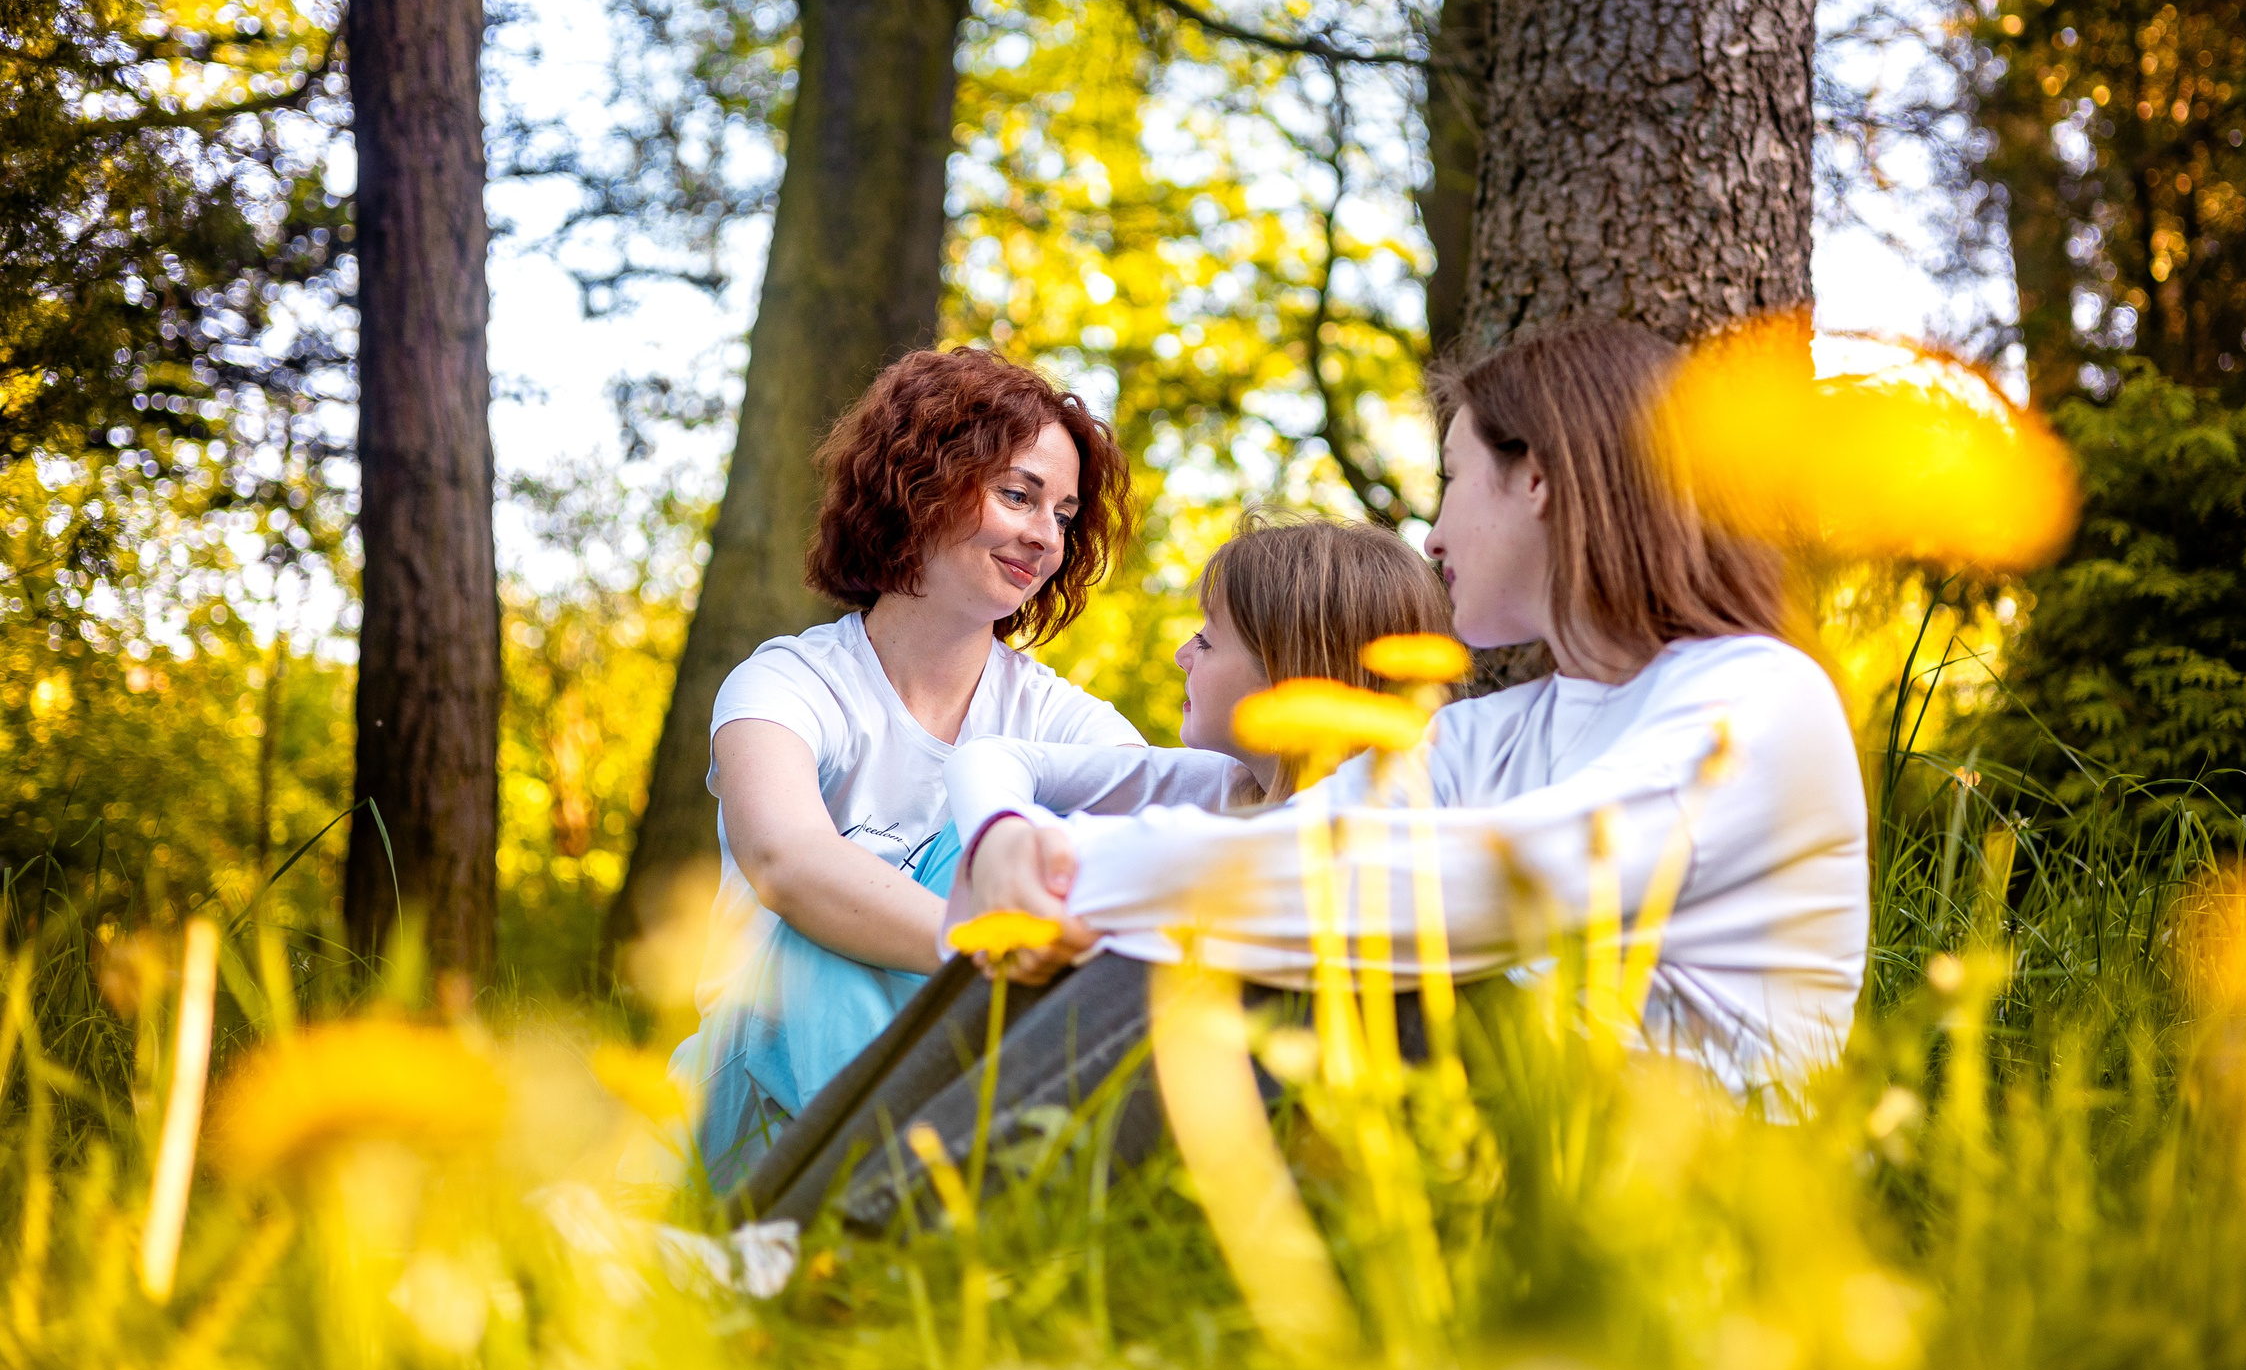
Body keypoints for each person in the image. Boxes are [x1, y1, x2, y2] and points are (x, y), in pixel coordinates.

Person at [739, 319, 1871, 1233]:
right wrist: (1007, 849)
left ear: (1541, 482)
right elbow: (1283, 848)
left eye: (1450, 479)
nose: (1431, 537)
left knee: (1257, 945)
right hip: (1484, 1121)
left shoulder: (1755, 697)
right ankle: (763, 1240)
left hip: (1689, 1180)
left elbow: (1490, 890)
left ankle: (838, 1262)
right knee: (1216, 920)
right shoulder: (1500, 732)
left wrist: (1072, 872)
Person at [668, 347, 1139, 1190]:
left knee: (1042, 825)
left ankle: (920, 1215)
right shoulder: (783, 686)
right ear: (920, 484)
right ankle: (903, 1210)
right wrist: (988, 946)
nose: (1045, 536)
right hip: (754, 1102)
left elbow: (1160, 838)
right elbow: (789, 863)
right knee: (829, 928)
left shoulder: (1057, 718)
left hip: (947, 1086)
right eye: (1019, 494)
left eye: (1064, 515)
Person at [935, 512, 1459, 929]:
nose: (1183, 655)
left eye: (1206, 640)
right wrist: (998, 838)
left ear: (1289, 676)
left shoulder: (1385, 842)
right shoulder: (1230, 783)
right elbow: (991, 756)